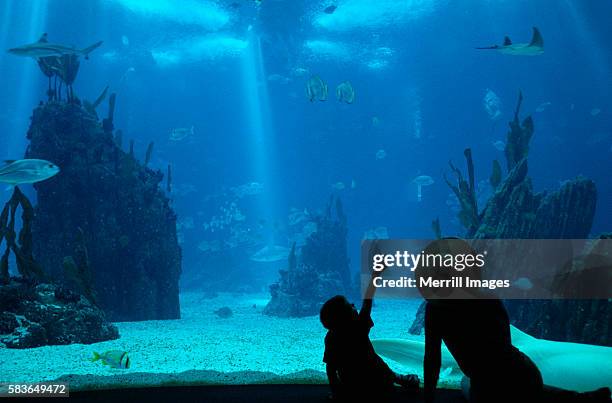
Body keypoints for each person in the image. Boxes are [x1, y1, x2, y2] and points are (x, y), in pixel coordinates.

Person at [418, 238, 611, 403]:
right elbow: (501, 350)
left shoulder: (435, 310)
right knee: (526, 391)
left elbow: (432, 359)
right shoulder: (487, 299)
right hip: (522, 373)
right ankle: (580, 398)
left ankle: (580, 398)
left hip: (492, 381)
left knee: (471, 384)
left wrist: (427, 398)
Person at [320, 262, 419, 401]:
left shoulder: (331, 337)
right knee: (385, 373)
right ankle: (404, 380)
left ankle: (398, 379)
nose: (354, 305)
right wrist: (375, 275)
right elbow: (367, 301)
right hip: (378, 379)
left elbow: (330, 369)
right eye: (350, 306)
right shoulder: (358, 327)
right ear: (346, 316)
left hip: (351, 384)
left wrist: (336, 392)